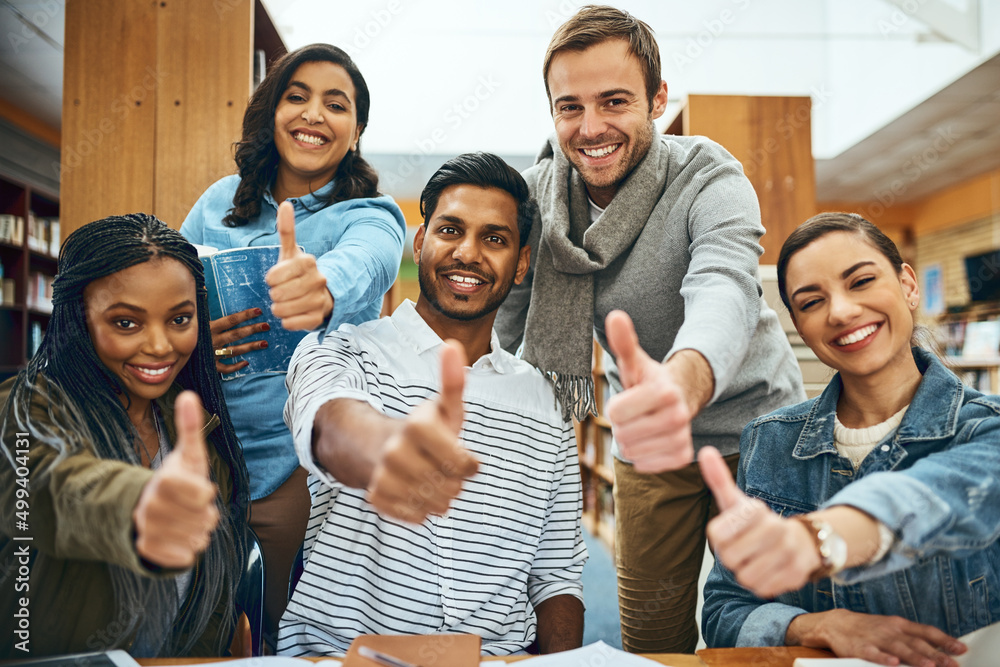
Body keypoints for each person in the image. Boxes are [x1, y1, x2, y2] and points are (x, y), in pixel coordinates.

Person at [493, 5, 804, 653]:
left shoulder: (708, 175)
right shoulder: (535, 201)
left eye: (614, 101)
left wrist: (683, 382)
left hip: (760, 428)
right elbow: (504, 325)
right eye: (569, 106)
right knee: (649, 637)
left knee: (763, 628)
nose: (591, 127)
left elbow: (723, 287)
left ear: (658, 99)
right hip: (646, 445)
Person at [277, 153, 587, 657]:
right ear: (420, 244)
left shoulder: (544, 403)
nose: (468, 253)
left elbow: (556, 577)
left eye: (494, 238)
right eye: (450, 230)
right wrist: (385, 447)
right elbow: (331, 421)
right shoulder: (341, 349)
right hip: (341, 656)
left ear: (522, 263)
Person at [700, 212, 1000, 667]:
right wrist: (818, 625)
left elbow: (934, 495)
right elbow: (725, 612)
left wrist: (816, 541)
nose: (840, 311)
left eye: (860, 281)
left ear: (908, 285)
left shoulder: (986, 429)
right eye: (811, 301)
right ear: (799, 326)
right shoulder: (769, 442)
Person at [180, 43, 406, 643]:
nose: (313, 114)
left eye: (336, 104)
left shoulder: (373, 215)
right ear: (272, 110)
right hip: (202, 455)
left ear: (355, 130)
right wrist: (194, 332)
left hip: (295, 472)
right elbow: (167, 294)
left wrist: (319, 286)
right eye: (297, 96)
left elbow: (366, 264)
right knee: (194, 630)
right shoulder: (216, 204)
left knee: (280, 633)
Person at [0, 214, 249, 658]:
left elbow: (211, 591)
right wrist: (137, 507)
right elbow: (46, 488)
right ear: (79, 318)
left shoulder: (194, 426)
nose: (158, 345)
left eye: (180, 319)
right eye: (126, 323)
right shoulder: (22, 408)